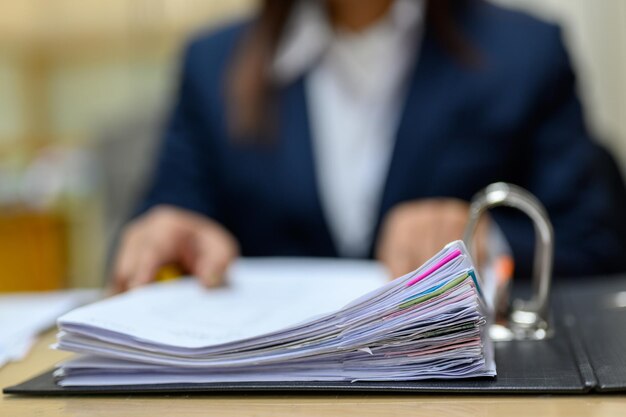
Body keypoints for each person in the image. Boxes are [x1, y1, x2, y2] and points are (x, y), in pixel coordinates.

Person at [111, 0, 626, 293]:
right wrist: (166, 234)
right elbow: (163, 216)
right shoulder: (211, 65)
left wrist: (487, 239)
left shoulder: (524, 53)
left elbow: (596, 241)